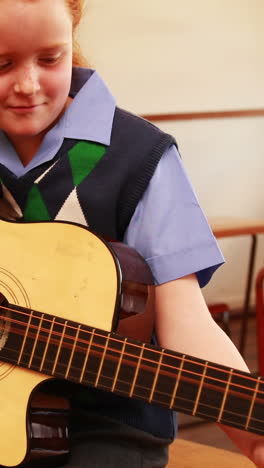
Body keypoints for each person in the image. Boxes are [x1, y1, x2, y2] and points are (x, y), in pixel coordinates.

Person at [0, 0, 263, 466]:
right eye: (1, 64)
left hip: (109, 419)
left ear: (72, 38)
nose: (27, 84)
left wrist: (252, 434)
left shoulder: (139, 156)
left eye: (50, 59)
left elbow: (185, 320)